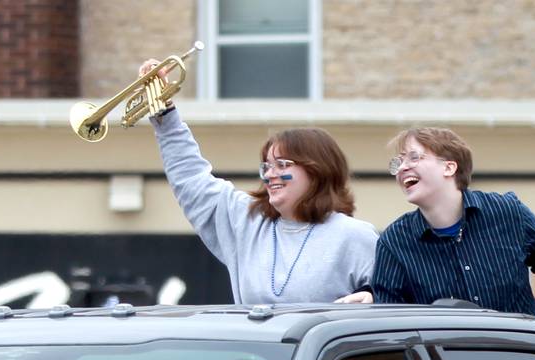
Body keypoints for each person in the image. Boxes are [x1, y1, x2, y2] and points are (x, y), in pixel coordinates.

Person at [139, 59, 378, 304]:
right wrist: (164, 113)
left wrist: (373, 298)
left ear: (318, 171)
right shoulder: (247, 221)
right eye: (266, 166)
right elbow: (192, 179)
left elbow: (400, 304)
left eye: (283, 165)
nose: (270, 174)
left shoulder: (354, 236)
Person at [337, 126, 535, 316]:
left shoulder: (508, 211)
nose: (402, 168)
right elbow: (391, 320)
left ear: (449, 168)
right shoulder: (394, 242)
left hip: (523, 354)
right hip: (446, 358)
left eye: (414, 158)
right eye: (398, 162)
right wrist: (371, 294)